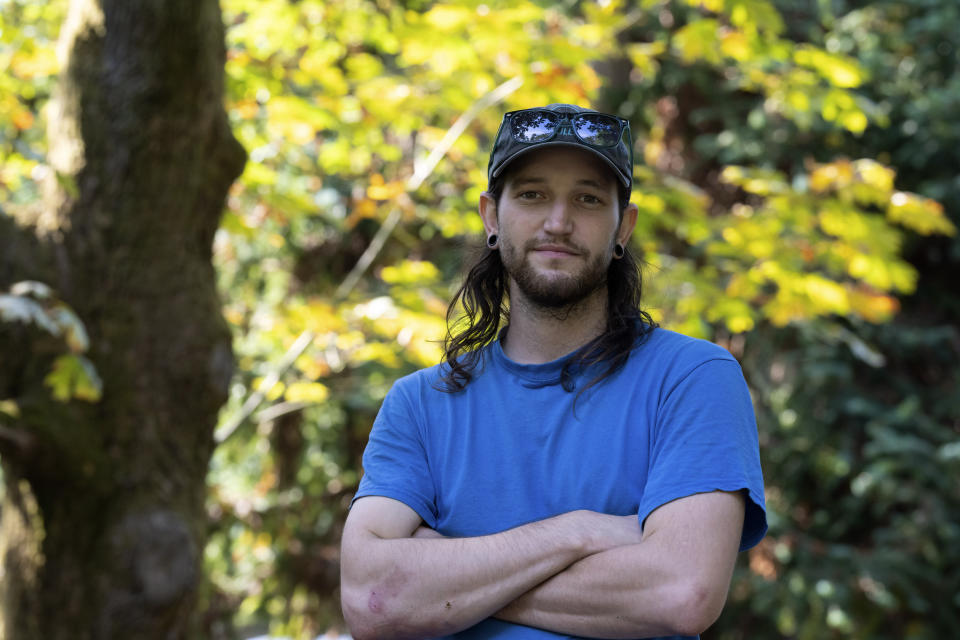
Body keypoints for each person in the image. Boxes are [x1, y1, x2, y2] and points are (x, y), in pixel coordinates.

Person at [339, 103, 766, 640]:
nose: (558, 223)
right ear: (492, 216)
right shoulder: (420, 405)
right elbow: (369, 599)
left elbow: (681, 592)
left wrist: (446, 576)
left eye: (588, 199)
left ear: (623, 228)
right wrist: (579, 533)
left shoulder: (691, 379)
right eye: (532, 195)